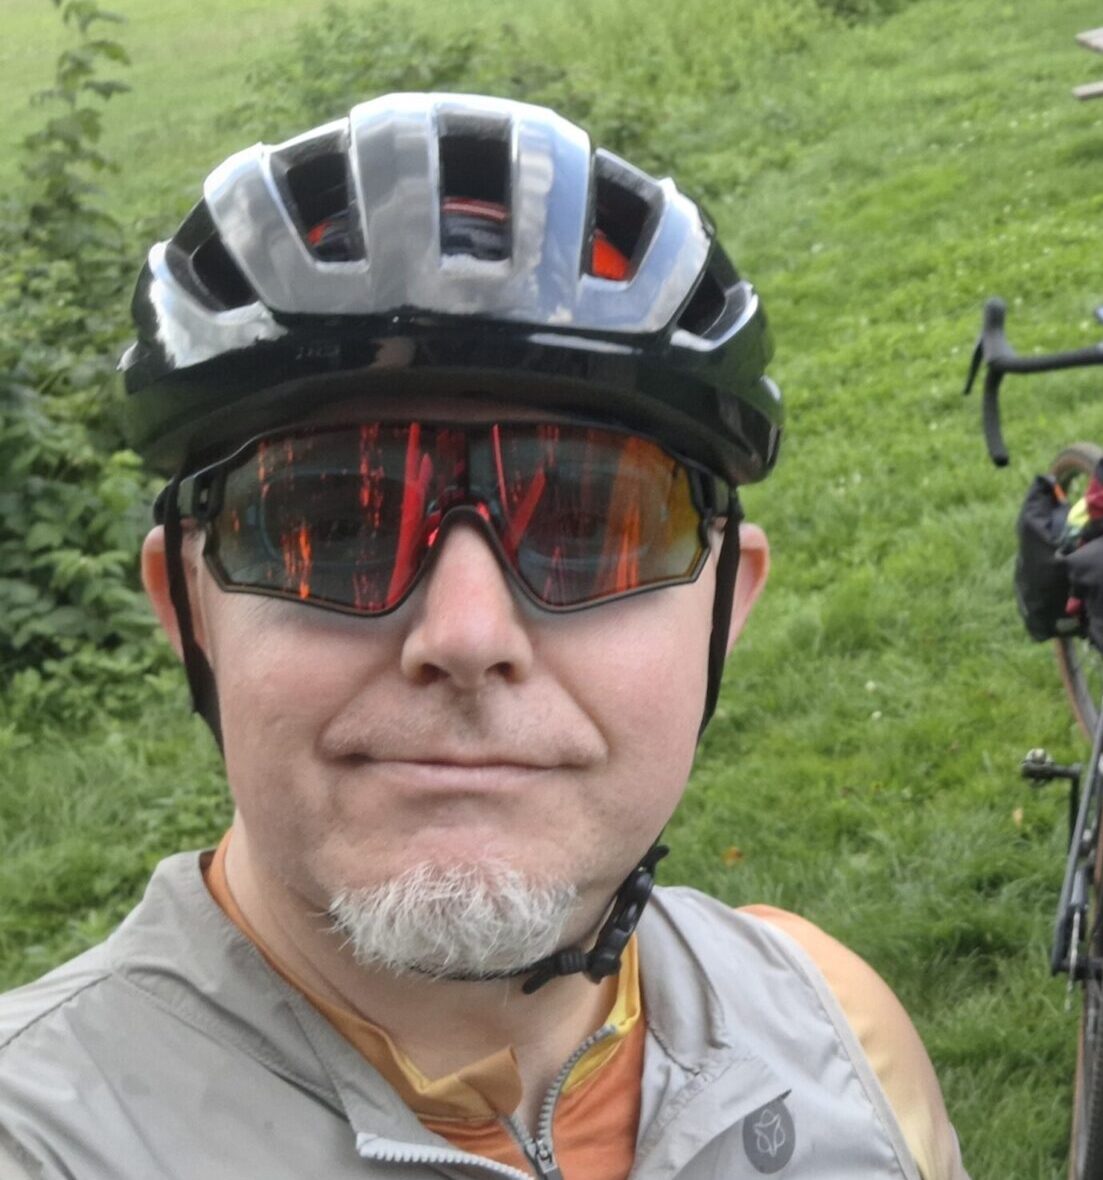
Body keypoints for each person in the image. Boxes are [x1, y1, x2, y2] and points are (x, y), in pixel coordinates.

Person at [0, 92, 968, 1180]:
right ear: (190, 612)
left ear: (725, 608)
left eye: (589, 527)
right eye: (335, 527)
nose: (464, 634)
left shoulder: (840, 1029)